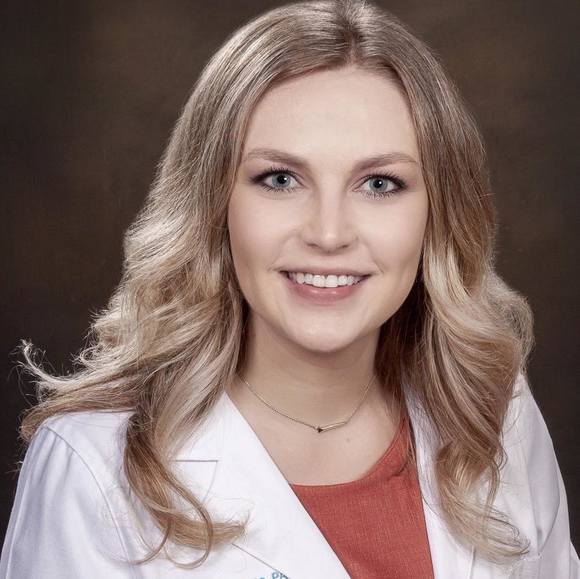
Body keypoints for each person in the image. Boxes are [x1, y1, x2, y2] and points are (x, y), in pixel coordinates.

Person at [1, 0, 578, 577]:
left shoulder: (493, 415)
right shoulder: (95, 469)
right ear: (214, 204)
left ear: (438, 213)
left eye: (380, 184)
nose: (328, 234)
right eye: (280, 179)